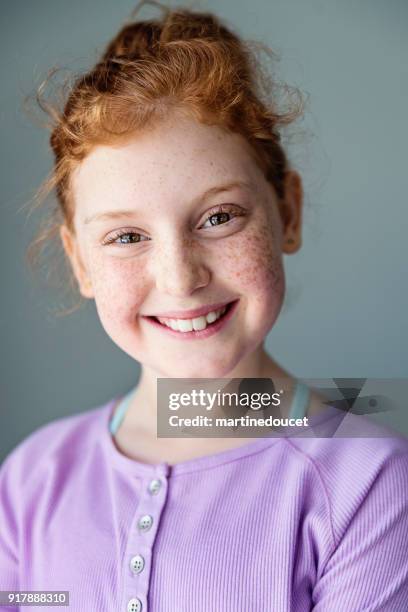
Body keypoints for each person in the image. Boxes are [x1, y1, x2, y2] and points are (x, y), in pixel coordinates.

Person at [1, 3, 407, 611]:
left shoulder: (371, 486)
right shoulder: (32, 480)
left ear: (287, 213)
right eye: (126, 236)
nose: (180, 277)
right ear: (81, 261)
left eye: (219, 218)